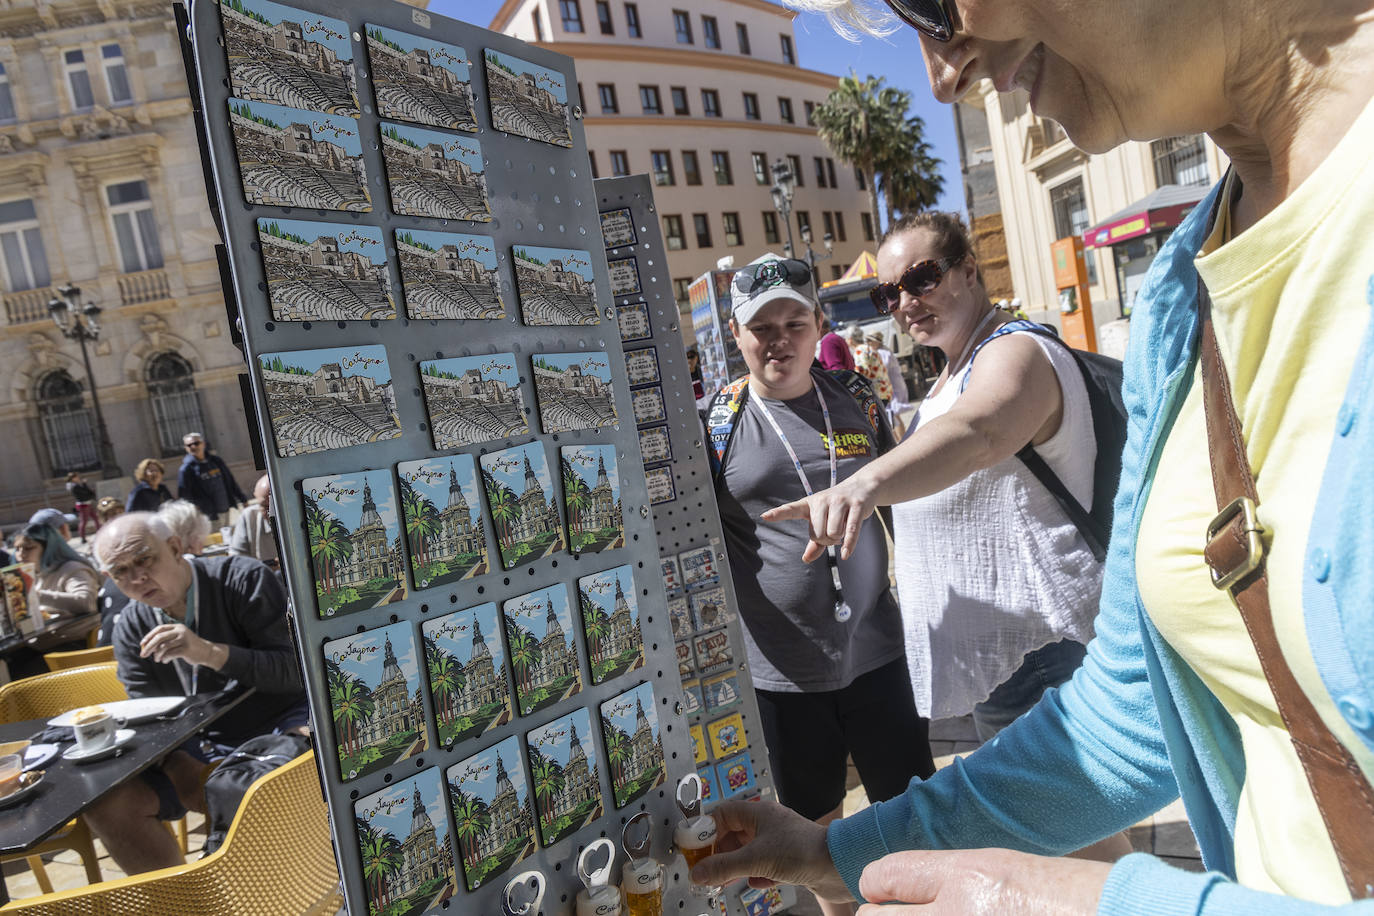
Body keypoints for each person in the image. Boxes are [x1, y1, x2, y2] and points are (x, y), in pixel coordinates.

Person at [693, 0, 1374, 912]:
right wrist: (835, 851)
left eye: (934, 5)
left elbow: (975, 433)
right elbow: (1120, 723)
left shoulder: (1010, 354)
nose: (943, 71)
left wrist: (1082, 900)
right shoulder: (1180, 293)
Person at [709, 253, 935, 916]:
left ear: (818, 325)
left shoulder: (858, 399)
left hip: (878, 658)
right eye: (762, 327)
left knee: (910, 821)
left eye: (793, 323)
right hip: (783, 677)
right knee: (812, 837)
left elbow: (904, 503)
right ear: (735, 333)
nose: (779, 339)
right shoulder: (717, 425)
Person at [86, 513, 308, 874]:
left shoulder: (242, 579)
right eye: (120, 571)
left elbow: (295, 673)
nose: (137, 578)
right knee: (109, 803)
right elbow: (146, 713)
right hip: (197, 744)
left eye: (144, 559)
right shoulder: (130, 627)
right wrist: (175, 764)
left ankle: (280, 891)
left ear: (174, 547)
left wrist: (208, 652)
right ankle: (184, 904)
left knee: (254, 783)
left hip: (277, 724)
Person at [11, 522, 100, 623]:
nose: (21, 554)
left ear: (48, 548)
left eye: (29, 548)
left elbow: (87, 602)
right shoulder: (31, 574)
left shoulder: (72, 568)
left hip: (76, 635)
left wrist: (36, 595)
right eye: (17, 549)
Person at [176, 433, 246, 524]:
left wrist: (243, 499)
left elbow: (230, 481)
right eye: (189, 445)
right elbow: (184, 495)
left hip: (225, 508)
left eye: (196, 443)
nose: (193, 446)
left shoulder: (216, 461)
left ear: (203, 444)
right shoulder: (186, 469)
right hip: (206, 516)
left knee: (227, 535)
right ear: (185, 448)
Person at [229, 474, 278, 570]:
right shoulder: (249, 516)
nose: (270, 512)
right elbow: (236, 559)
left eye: (274, 507)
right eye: (264, 506)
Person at [867, 330, 911, 438]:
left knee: (894, 416)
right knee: (892, 417)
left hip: (891, 387)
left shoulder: (883, 353)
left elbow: (881, 371)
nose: (868, 343)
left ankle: (902, 440)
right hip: (890, 386)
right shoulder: (883, 351)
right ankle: (900, 439)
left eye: (870, 341)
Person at [847, 324, 893, 402]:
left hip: (877, 392)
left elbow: (863, 370)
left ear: (850, 339)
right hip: (884, 390)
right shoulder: (868, 348)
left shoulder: (859, 350)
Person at [66, 472, 98, 539]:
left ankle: (99, 532)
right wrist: (84, 484)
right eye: (76, 477)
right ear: (73, 478)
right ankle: (82, 537)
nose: (78, 478)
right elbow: (84, 493)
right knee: (84, 521)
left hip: (87, 503)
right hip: (83, 505)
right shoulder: (74, 486)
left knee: (95, 518)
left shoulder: (76, 485)